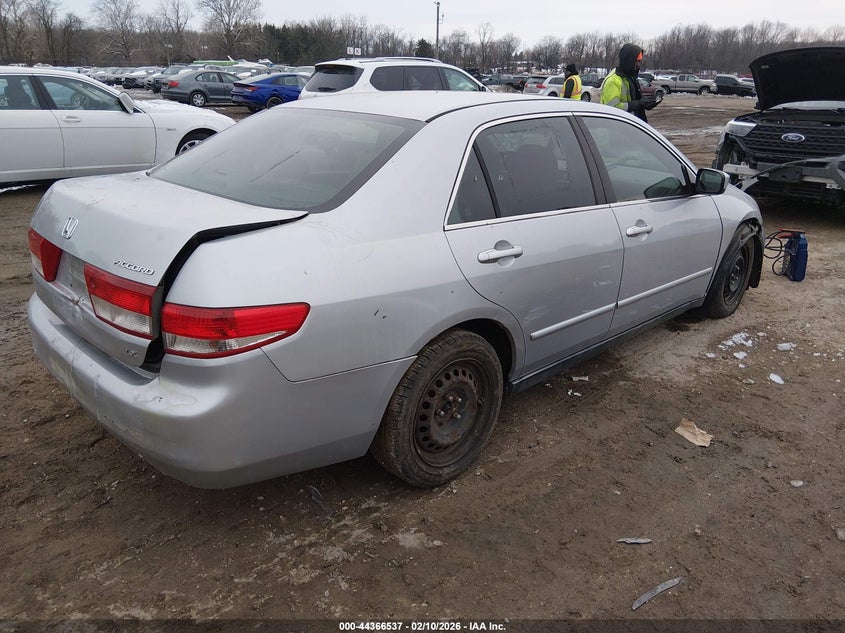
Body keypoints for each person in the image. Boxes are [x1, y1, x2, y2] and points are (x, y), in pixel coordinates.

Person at [600, 43, 657, 122]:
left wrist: (645, 104)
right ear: (629, 61)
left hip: (629, 124)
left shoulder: (630, 78)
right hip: (616, 126)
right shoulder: (613, 81)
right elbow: (612, 108)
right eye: (637, 61)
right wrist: (638, 104)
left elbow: (634, 102)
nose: (638, 65)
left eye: (639, 61)